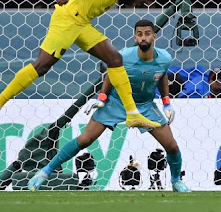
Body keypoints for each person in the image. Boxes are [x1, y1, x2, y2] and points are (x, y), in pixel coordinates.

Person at [0, 0, 160, 136]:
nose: (137, 5)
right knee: (42, 66)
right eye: (141, 0)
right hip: (68, 19)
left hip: (81, 23)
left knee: (115, 59)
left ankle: (132, 113)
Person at [28, 20, 191, 193]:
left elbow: (162, 76)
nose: (144, 38)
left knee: (172, 146)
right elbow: (110, 74)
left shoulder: (164, 58)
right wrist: (102, 98)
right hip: (116, 103)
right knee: (85, 139)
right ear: (135, 37)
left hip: (145, 105)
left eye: (147, 33)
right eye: (140, 34)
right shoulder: (124, 56)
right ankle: (44, 173)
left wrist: (166, 102)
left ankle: (176, 182)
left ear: (154, 36)